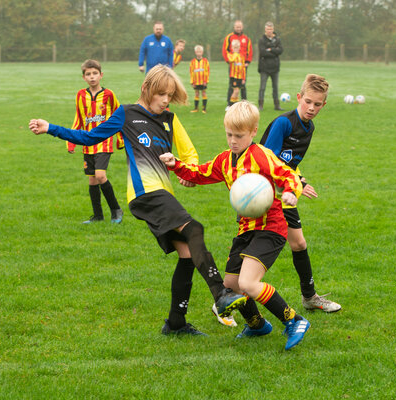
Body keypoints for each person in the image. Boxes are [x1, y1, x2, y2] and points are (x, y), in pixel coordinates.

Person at [29, 65, 246, 336]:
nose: (166, 100)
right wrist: (51, 128)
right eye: (161, 94)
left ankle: (176, 323)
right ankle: (221, 293)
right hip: (144, 194)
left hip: (163, 193)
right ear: (147, 89)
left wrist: (185, 171)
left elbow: (189, 153)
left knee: (188, 254)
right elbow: (88, 137)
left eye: (170, 95)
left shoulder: (170, 119)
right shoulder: (127, 113)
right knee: (195, 229)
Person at [160, 101, 310, 350]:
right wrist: (175, 164)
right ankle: (257, 325)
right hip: (245, 230)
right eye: (229, 134)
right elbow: (200, 173)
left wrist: (292, 193)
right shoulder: (225, 161)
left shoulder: (262, 156)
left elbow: (289, 175)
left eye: (239, 136)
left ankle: (294, 320)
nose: (233, 140)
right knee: (230, 287)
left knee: (249, 284)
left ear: (253, 132)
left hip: (270, 227)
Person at [260, 74, 342, 313]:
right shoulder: (283, 123)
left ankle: (309, 297)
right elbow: (268, 162)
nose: (312, 108)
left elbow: (291, 164)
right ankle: (225, 294)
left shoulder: (309, 127)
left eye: (317, 104)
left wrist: (299, 179)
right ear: (298, 97)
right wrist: (296, 181)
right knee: (258, 246)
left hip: (286, 193)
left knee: (298, 244)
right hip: (263, 193)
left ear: (324, 105)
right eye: (308, 101)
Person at [65, 59, 124, 224]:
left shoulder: (109, 95)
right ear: (84, 77)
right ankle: (98, 216)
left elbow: (119, 117)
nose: (92, 77)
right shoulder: (80, 96)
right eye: (88, 74)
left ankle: (116, 210)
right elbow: (79, 119)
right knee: (92, 179)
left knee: (100, 175)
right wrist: (71, 141)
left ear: (101, 75)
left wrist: (120, 139)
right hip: (87, 144)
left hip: (104, 143)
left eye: (95, 73)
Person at [222, 20, 252, 103]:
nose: (238, 28)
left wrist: (247, 62)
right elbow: (225, 50)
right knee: (232, 85)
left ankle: (244, 103)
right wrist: (228, 61)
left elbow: (249, 51)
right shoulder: (229, 37)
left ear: (242, 27)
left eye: (240, 27)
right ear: (234, 27)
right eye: (237, 27)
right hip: (233, 66)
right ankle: (229, 103)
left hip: (242, 66)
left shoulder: (246, 38)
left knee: (243, 85)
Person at [258, 22, 284, 111]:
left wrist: (270, 50)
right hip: (264, 67)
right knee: (262, 87)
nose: (269, 30)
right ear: (265, 29)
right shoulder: (262, 40)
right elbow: (262, 52)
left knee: (275, 87)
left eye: (271, 29)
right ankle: (260, 105)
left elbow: (280, 50)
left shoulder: (277, 39)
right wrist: (274, 51)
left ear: (273, 29)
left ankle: (277, 105)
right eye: (268, 29)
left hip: (275, 67)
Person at [189, 45, 210, 114]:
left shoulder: (205, 61)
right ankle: (196, 108)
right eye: (197, 52)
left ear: (202, 52)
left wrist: (206, 81)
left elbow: (207, 71)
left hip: (203, 81)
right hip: (196, 81)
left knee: (203, 93)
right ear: (195, 52)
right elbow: (191, 72)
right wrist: (192, 82)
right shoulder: (192, 62)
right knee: (196, 93)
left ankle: (204, 109)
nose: (199, 53)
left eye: (200, 51)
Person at [225, 40, 246, 110]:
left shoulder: (241, 57)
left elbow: (243, 68)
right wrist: (235, 54)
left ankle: (235, 106)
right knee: (235, 91)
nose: (236, 49)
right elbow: (231, 60)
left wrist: (243, 78)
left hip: (240, 77)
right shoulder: (230, 55)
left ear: (239, 48)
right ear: (232, 48)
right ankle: (230, 105)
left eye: (237, 47)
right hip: (233, 76)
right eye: (234, 47)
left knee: (237, 91)